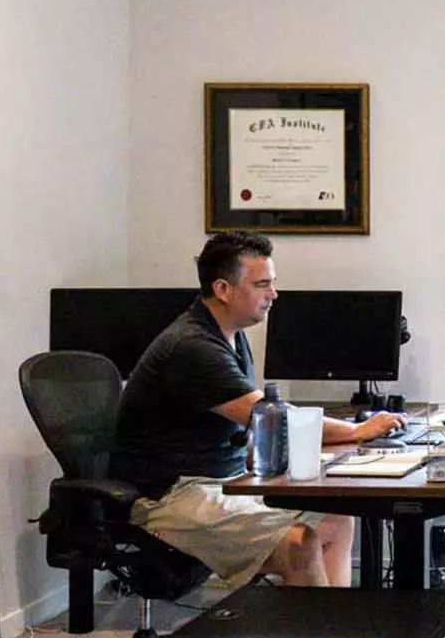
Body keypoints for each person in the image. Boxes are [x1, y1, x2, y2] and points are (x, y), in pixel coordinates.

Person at [109, 232, 404, 586]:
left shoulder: (229, 335)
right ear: (223, 289)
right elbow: (270, 418)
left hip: (219, 482)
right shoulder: (192, 347)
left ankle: (332, 634)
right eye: (262, 284)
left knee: (336, 521)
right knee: (298, 544)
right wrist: (357, 431)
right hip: (168, 495)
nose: (273, 295)